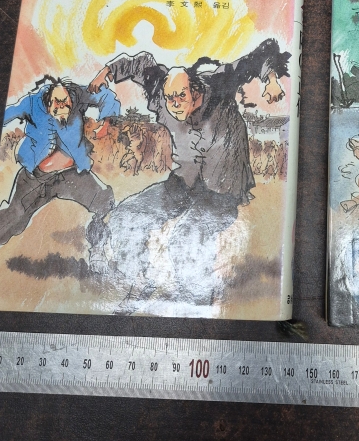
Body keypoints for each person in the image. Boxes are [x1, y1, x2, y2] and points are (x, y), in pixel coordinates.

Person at [87, 38, 290, 290]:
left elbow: (260, 55)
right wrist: (106, 72)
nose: (175, 104)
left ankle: (196, 293)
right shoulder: (158, 88)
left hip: (221, 190)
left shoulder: (218, 84)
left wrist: (271, 79)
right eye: (169, 98)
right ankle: (135, 281)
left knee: (185, 236)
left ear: (195, 92)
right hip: (184, 182)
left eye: (181, 96)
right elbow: (139, 64)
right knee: (126, 215)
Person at [0, 75, 120, 253]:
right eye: (57, 103)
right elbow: (9, 113)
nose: (63, 106)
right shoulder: (32, 103)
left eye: (66, 102)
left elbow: (106, 96)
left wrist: (107, 122)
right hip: (36, 179)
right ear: (49, 103)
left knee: (105, 202)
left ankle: (102, 249)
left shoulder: (78, 95)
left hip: (71, 176)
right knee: (15, 218)